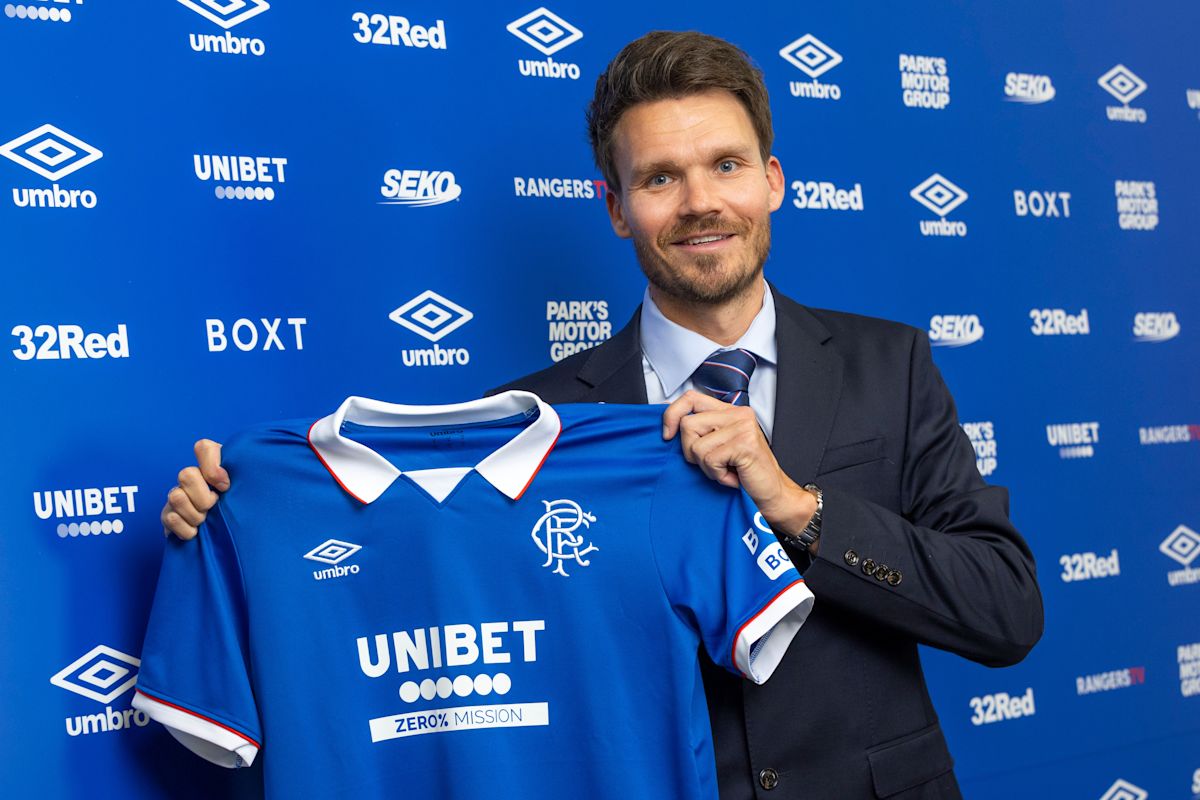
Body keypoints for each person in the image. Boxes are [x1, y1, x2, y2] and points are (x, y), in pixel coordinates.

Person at [161, 31, 1042, 800]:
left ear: (772, 180)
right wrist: (235, 519)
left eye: (726, 165)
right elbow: (432, 586)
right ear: (617, 208)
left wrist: (797, 507)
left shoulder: (890, 365)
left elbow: (1005, 611)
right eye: (660, 178)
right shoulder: (531, 423)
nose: (700, 202)